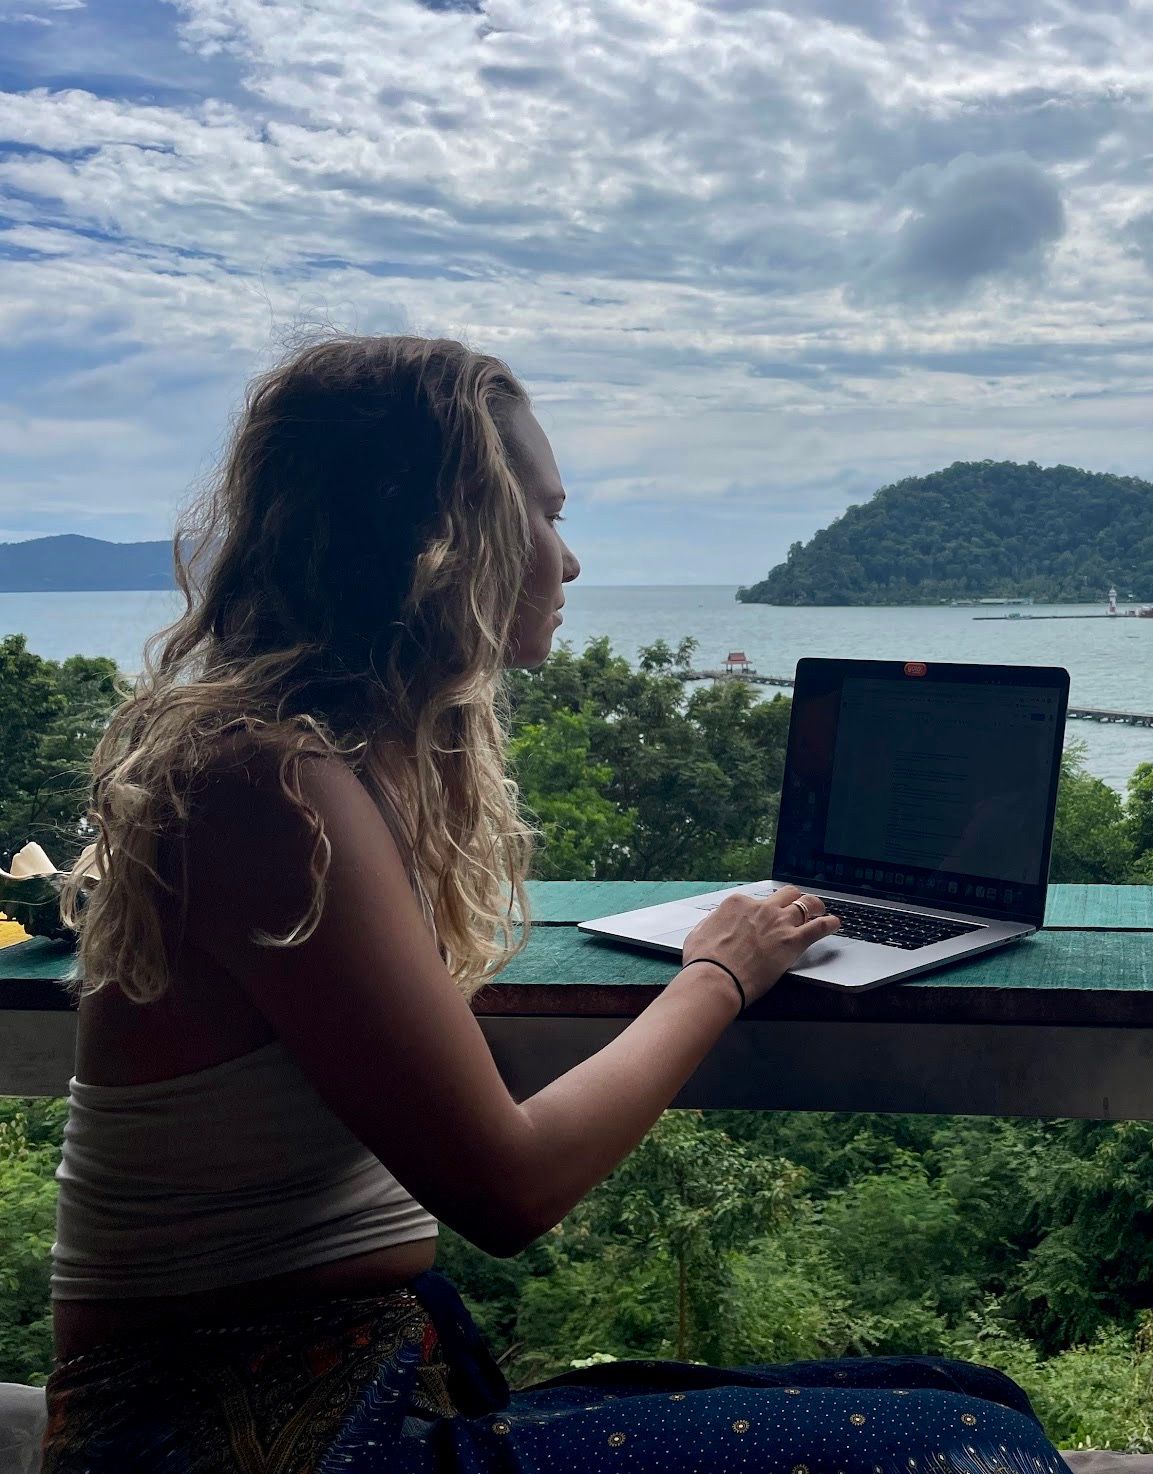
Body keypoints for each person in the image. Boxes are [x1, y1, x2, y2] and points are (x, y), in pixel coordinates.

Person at [40, 336, 1068, 1474]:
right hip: (226, 1430)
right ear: (436, 538)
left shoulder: (331, 768)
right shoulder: (271, 790)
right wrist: (717, 972)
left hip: (345, 1376)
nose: (568, 561)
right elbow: (509, 1186)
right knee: (974, 1452)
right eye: (544, 512)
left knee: (970, 1393)